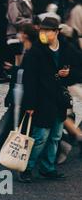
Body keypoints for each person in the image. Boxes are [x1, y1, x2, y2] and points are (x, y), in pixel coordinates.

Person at [19, 17, 81, 182]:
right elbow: (29, 79)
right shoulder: (36, 51)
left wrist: (69, 73)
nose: (44, 33)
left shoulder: (66, 48)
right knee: (40, 137)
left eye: (48, 31)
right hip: (42, 99)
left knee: (55, 136)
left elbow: (78, 68)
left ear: (57, 32)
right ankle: (26, 168)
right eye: (42, 30)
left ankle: (48, 168)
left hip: (59, 99)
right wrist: (30, 104)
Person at [0, 23, 38, 153]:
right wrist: (14, 69)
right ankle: (3, 145)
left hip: (25, 94)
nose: (18, 35)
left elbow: (29, 75)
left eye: (20, 32)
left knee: (16, 121)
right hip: (23, 93)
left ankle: (4, 146)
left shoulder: (31, 53)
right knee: (14, 120)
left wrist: (14, 69)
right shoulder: (28, 49)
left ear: (25, 35)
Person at [7, 0, 34, 66]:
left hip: (26, 33)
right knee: (20, 62)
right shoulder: (14, 0)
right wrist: (31, 23)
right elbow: (15, 19)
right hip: (18, 35)